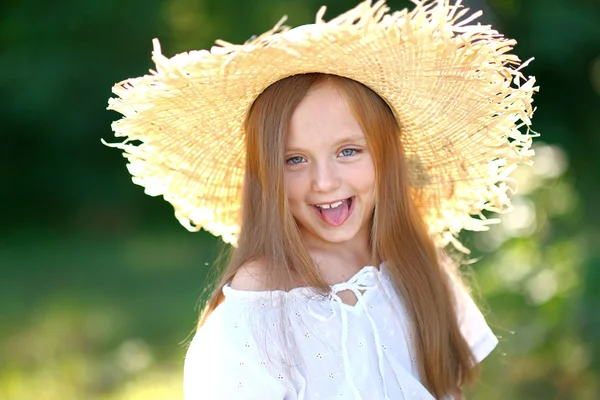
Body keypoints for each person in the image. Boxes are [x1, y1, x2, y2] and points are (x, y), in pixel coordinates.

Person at [105, 1, 537, 399]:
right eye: (295, 160)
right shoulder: (259, 310)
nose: (325, 182)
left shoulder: (415, 265)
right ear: (266, 176)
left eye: (348, 151)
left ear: (387, 155)